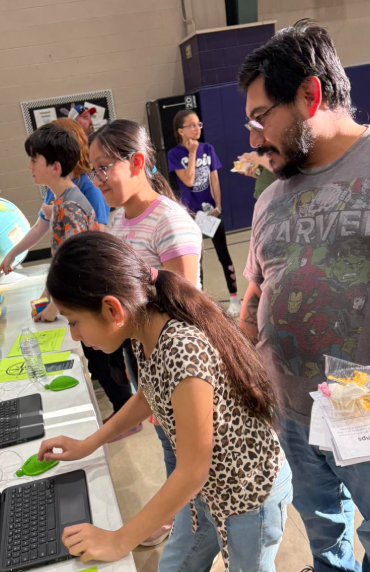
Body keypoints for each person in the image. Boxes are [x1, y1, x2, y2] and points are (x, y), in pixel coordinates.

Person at [237, 20, 370, 572]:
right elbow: (256, 293)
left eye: (260, 117)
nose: (252, 138)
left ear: (310, 94)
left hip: (369, 403)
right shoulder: (269, 199)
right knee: (324, 540)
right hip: (291, 412)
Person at [37, 231, 292, 571]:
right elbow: (148, 397)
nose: (75, 335)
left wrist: (119, 539)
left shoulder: (182, 349)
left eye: (74, 322)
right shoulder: (144, 328)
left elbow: (191, 470)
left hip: (248, 494)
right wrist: (88, 444)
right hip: (207, 491)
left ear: (112, 309)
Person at [87, 119, 204, 544]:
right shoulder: (120, 222)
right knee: (167, 440)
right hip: (146, 358)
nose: (97, 179)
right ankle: (180, 517)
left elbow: (187, 306)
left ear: (136, 161)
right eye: (92, 170)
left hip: (179, 363)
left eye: (104, 168)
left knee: (186, 450)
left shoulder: (170, 222)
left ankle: (184, 522)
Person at [0, 118, 109, 276]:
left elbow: (94, 242)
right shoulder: (56, 189)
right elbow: (39, 227)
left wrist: (58, 213)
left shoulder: (88, 191)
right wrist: (12, 253)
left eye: (35, 160)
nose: (30, 166)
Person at [167, 110, 240, 315]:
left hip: (212, 213)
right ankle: (198, 304)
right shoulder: (174, 154)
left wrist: (218, 206)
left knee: (223, 254)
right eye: (191, 125)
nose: (197, 128)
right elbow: (189, 180)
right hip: (191, 217)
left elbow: (214, 179)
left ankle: (234, 299)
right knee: (195, 260)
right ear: (180, 131)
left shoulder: (208, 149)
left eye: (199, 124)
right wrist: (191, 153)